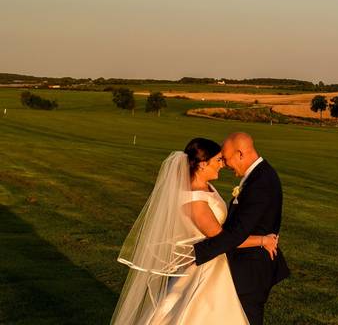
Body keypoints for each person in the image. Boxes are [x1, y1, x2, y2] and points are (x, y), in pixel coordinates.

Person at [111, 138, 279, 325]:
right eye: (217, 160)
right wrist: (262, 240)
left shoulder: (207, 187)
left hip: (216, 260)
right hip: (206, 266)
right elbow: (222, 237)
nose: (222, 164)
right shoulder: (195, 201)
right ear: (202, 164)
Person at [193, 132, 290, 325]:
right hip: (246, 263)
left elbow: (238, 232)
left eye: (226, 159)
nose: (225, 164)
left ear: (240, 154)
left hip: (251, 269)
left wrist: (197, 252)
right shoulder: (259, 175)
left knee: (246, 319)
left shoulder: (261, 182)